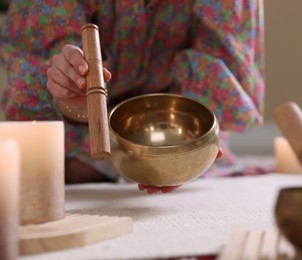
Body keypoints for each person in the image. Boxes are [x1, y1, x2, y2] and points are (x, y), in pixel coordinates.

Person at [0, 0, 265, 193]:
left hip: (170, 130)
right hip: (75, 137)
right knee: (69, 172)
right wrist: (73, 96)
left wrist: (190, 152)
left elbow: (218, 77)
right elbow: (38, 83)